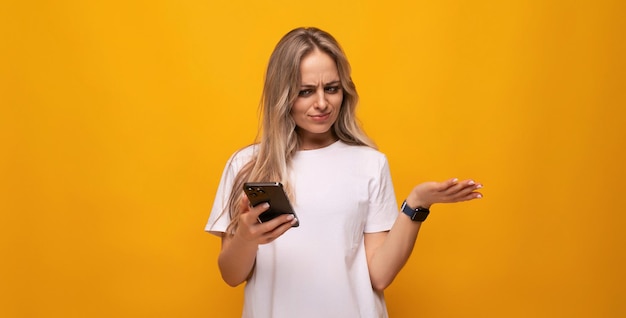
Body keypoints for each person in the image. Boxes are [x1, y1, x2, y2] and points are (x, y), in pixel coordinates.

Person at [205, 27, 483, 318]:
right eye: (306, 91)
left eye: (332, 88)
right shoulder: (247, 165)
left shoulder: (369, 163)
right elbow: (232, 275)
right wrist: (247, 238)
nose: (323, 103)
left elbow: (380, 275)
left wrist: (416, 204)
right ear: (283, 95)